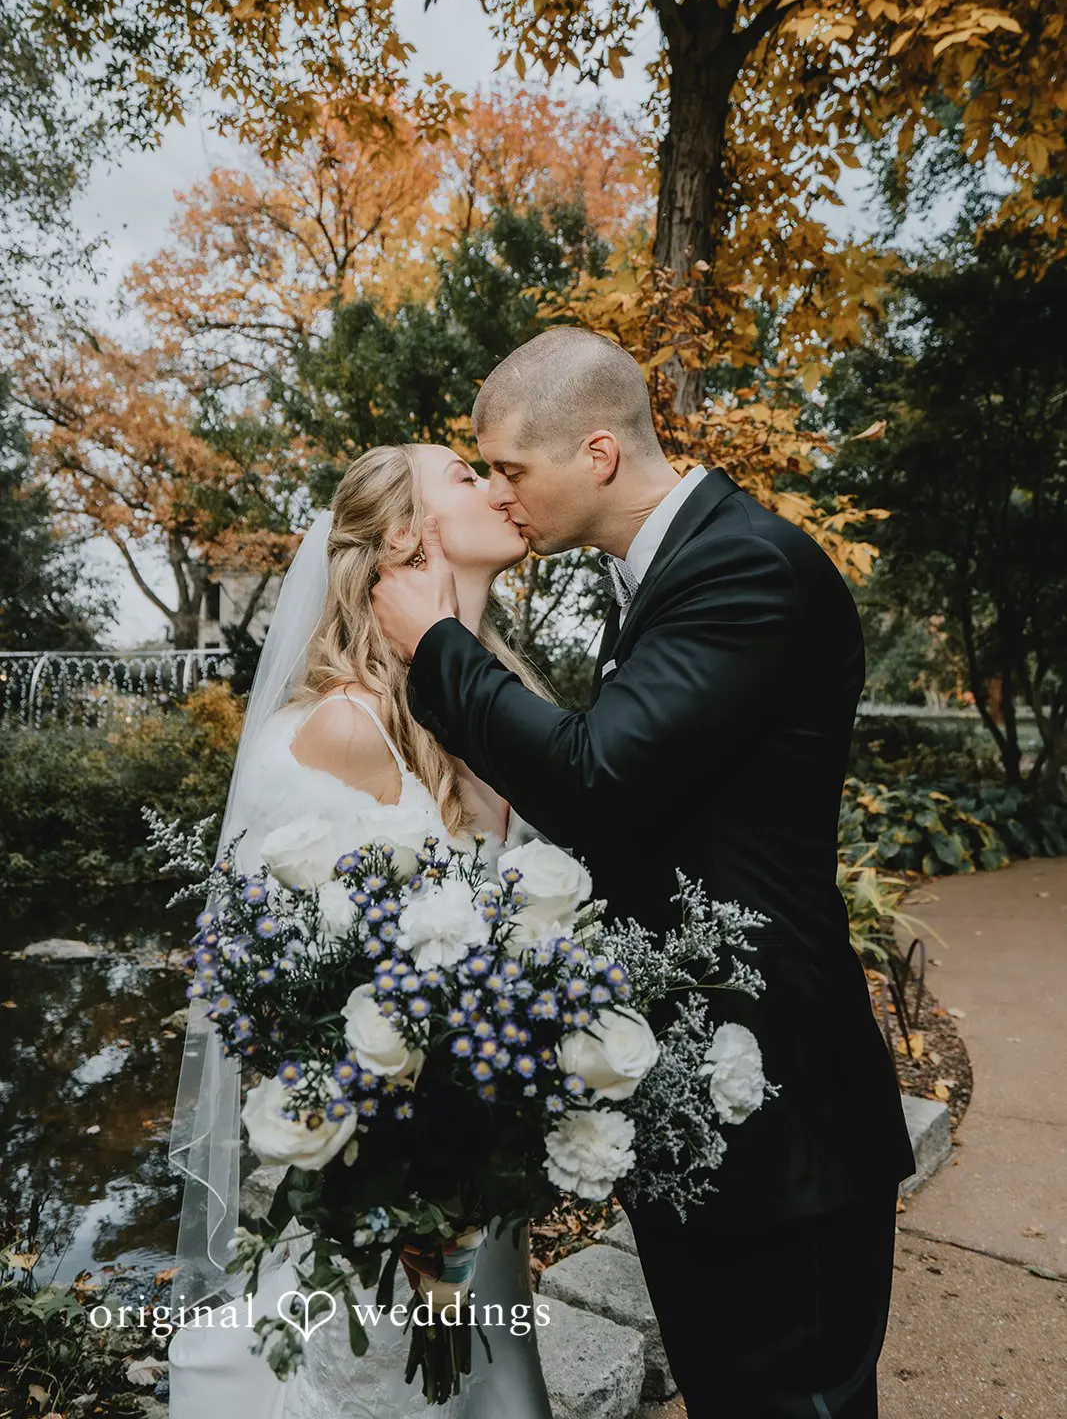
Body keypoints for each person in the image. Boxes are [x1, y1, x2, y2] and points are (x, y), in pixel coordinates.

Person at [370, 325, 918, 1419]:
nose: (501, 493)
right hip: (703, 1111)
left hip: (781, 1121)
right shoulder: (667, 573)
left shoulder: (743, 566)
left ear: (598, 453)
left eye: (510, 468)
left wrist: (435, 644)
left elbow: (598, 776)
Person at [166, 443, 555, 1419]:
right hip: (392, 1186)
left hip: (479, 1160)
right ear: (402, 538)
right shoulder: (345, 727)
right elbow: (280, 987)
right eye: (464, 473)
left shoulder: (499, 700)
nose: (496, 485)